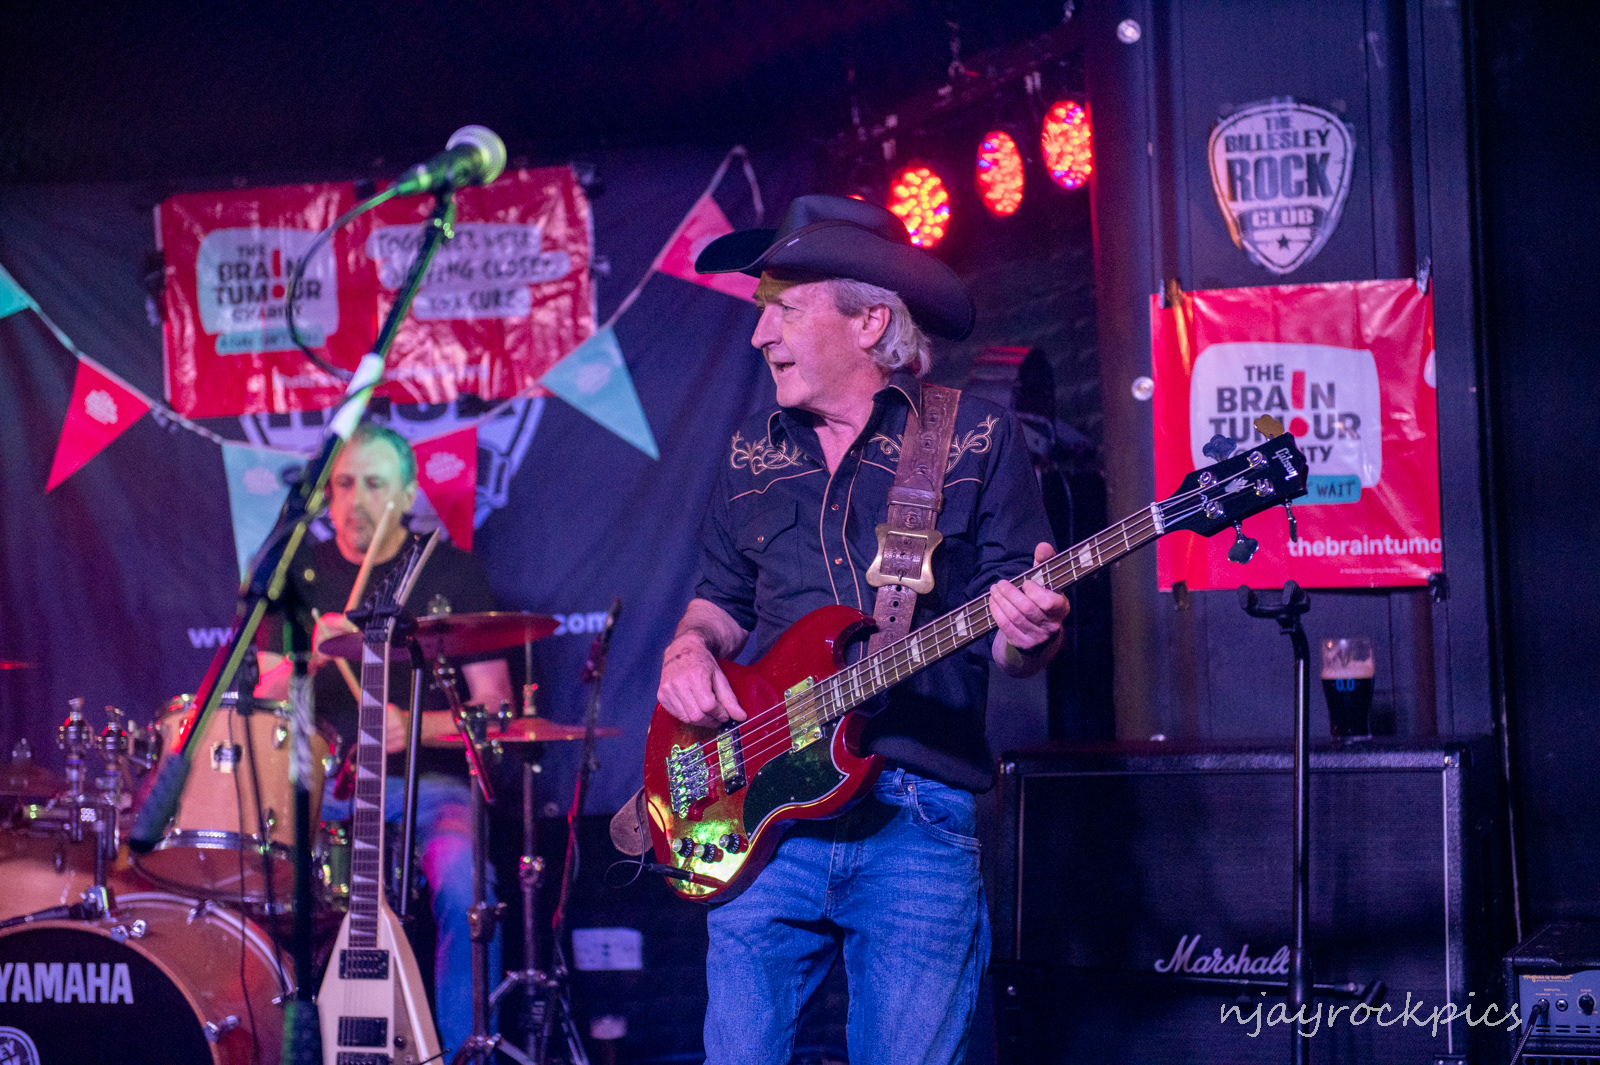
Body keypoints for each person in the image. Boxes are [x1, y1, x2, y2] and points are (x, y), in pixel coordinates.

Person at [655, 195, 1070, 1065]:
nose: (760, 335)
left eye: (783, 309)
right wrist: (688, 646)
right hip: (766, 815)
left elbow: (1014, 643)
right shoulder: (750, 453)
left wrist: (1030, 631)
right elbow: (718, 600)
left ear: (870, 321)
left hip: (917, 814)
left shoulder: (975, 438)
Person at [256, 422, 512, 1053]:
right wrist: (306, 658)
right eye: (344, 484)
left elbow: (497, 709)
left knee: (464, 885)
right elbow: (267, 702)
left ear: (407, 494)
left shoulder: (447, 570)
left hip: (429, 788)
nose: (356, 500)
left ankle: (461, 1053)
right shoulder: (299, 576)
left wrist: (413, 725)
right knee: (250, 877)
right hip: (326, 793)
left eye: (374, 483)